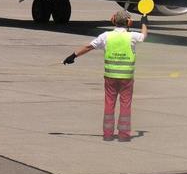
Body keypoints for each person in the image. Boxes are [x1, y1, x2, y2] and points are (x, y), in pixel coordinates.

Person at [63, 10, 148, 142]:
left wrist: (73, 56)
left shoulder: (106, 36)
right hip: (126, 78)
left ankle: (108, 134)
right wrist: (144, 22)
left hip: (110, 77)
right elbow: (144, 36)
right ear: (129, 22)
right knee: (125, 105)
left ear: (113, 21)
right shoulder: (132, 36)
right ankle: (124, 135)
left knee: (109, 104)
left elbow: (89, 47)